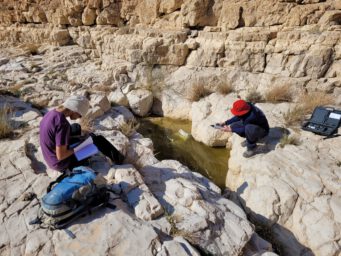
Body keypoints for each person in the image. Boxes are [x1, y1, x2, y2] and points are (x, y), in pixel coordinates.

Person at [39, 95, 124, 178]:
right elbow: (61, 156)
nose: (79, 117)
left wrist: (78, 140)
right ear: (75, 110)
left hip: (49, 155)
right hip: (61, 163)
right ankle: (119, 160)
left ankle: (81, 141)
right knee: (97, 140)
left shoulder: (52, 113)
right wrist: (79, 146)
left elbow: (54, 136)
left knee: (76, 127)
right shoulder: (62, 123)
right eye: (80, 115)